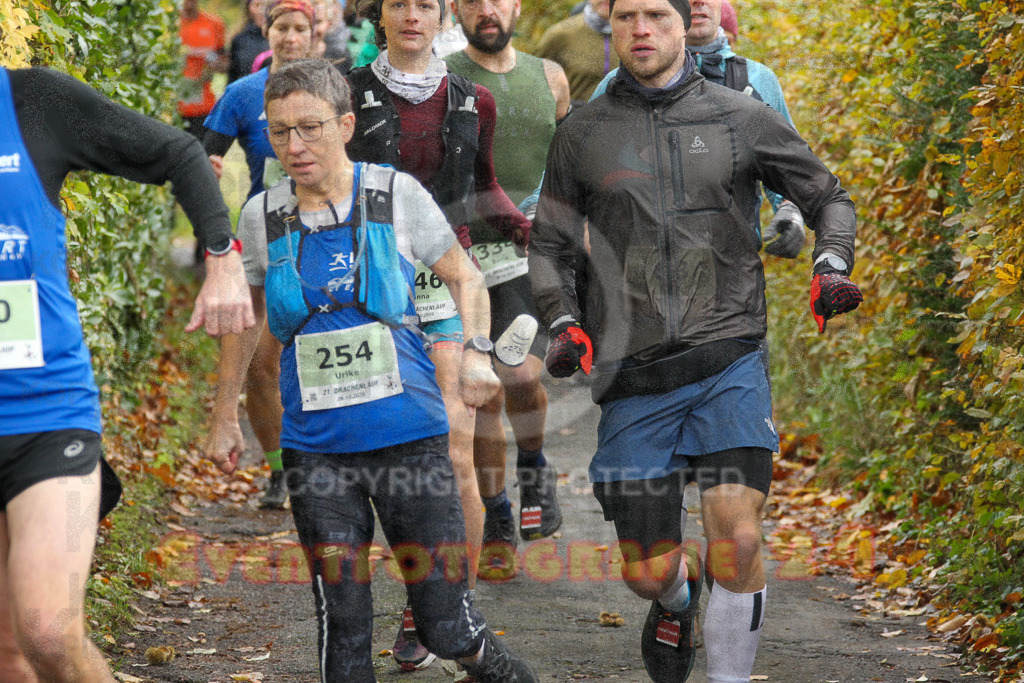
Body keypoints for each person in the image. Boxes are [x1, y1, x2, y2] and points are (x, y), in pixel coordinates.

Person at [529, 0, 863, 680]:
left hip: (729, 355)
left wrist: (831, 263)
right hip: (633, 370)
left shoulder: (739, 116)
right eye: (627, 17)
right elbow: (550, 244)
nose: (641, 29)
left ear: (687, 25)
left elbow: (829, 196)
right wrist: (562, 320)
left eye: (657, 15)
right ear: (611, 27)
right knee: (648, 572)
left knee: (737, 539)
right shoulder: (583, 131)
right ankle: (677, 602)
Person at [203, 58, 537, 682]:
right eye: (279, 132)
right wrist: (224, 413)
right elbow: (246, 322)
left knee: (446, 625)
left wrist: (475, 352)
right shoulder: (263, 216)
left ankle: (503, 671)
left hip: (409, 440)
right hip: (316, 450)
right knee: (342, 624)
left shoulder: (395, 195)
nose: (295, 146)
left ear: (347, 124)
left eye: (310, 127)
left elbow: (466, 278)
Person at [0, 65, 254, 682]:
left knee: (48, 631)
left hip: (43, 412)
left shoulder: (31, 101)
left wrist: (221, 259)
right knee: (7, 654)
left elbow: (177, 151)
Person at [345, 0, 532, 668]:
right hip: (364, 289)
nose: (414, 16)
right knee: (375, 459)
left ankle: (449, 612)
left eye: (427, 4)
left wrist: (531, 229)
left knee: (456, 456)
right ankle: (385, 600)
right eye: (401, 4)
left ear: (441, 14)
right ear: (381, 15)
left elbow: (484, 187)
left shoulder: (471, 99)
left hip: (448, 282)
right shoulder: (346, 90)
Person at [445, 0, 570, 559]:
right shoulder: (443, 74)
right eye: (471, 1)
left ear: (517, 5)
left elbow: (568, 160)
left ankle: (535, 466)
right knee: (487, 391)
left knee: (520, 376)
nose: (486, 10)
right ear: (455, 9)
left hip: (526, 252)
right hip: (462, 255)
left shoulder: (550, 77)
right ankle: (497, 515)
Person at [589, 0, 808, 259]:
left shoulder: (756, 80)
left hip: (733, 275)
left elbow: (789, 170)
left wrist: (791, 208)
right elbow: (568, 174)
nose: (698, 1)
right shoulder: (616, 86)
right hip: (640, 273)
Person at [534, 0, 619, 105]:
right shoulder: (560, 35)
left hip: (628, 119)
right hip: (575, 118)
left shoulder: (638, 33)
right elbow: (534, 85)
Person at [179, 0, 227, 141]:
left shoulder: (214, 23)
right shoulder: (167, 24)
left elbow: (224, 63)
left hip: (202, 108)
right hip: (171, 108)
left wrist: (215, 64)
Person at [227, 0, 270, 83]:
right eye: (257, 5)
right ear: (249, 7)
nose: (262, 10)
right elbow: (233, 76)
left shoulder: (284, 38)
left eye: (267, 5)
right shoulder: (239, 40)